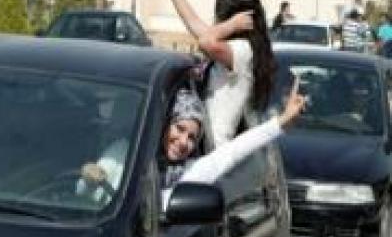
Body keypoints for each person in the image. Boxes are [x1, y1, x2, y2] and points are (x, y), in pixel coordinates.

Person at [80, 82, 305, 209]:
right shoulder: (125, 153)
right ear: (164, 124)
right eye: (179, 129)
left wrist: (281, 123)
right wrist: (88, 182)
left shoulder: (189, 173)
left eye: (191, 138)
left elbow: (232, 152)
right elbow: (84, 192)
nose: (183, 142)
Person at [147, 0, 276, 148]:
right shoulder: (228, 44)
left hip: (216, 150)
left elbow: (205, 42)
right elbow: (192, 21)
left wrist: (231, 24)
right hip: (205, 147)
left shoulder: (243, 50)